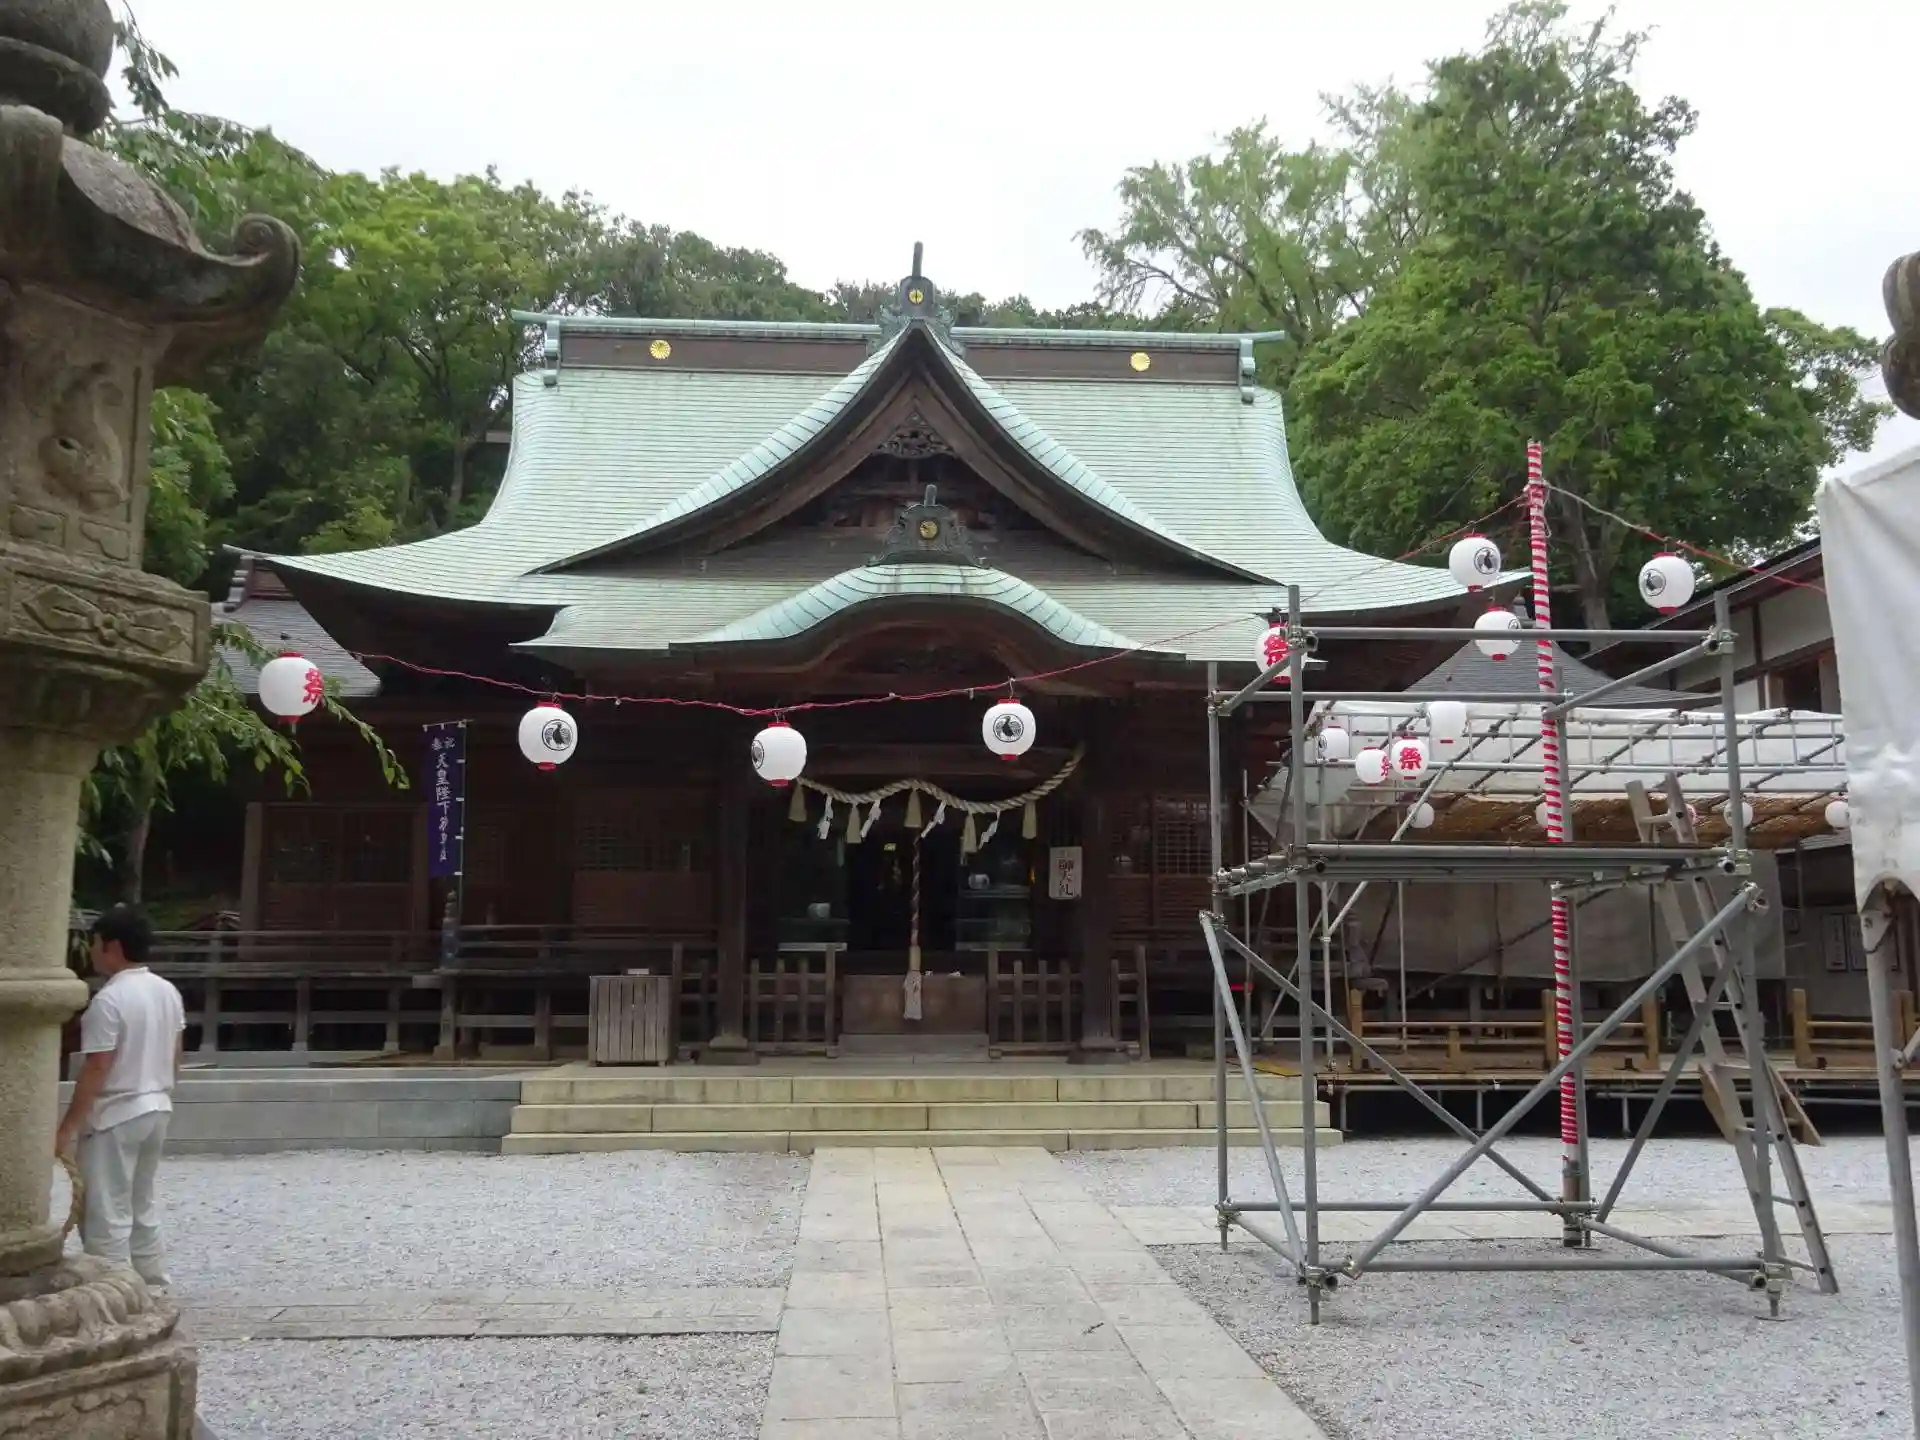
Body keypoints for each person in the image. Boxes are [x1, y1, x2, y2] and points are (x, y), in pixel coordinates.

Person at [54, 905, 185, 1289]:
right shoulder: (167, 991)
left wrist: (68, 1128)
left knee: (106, 1207)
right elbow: (176, 1054)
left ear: (112, 946)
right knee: (142, 1200)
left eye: (95, 944)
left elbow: (98, 1066)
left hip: (116, 1111)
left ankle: (111, 1287)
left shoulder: (110, 1000)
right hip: (157, 1103)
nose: (92, 952)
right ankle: (152, 1278)